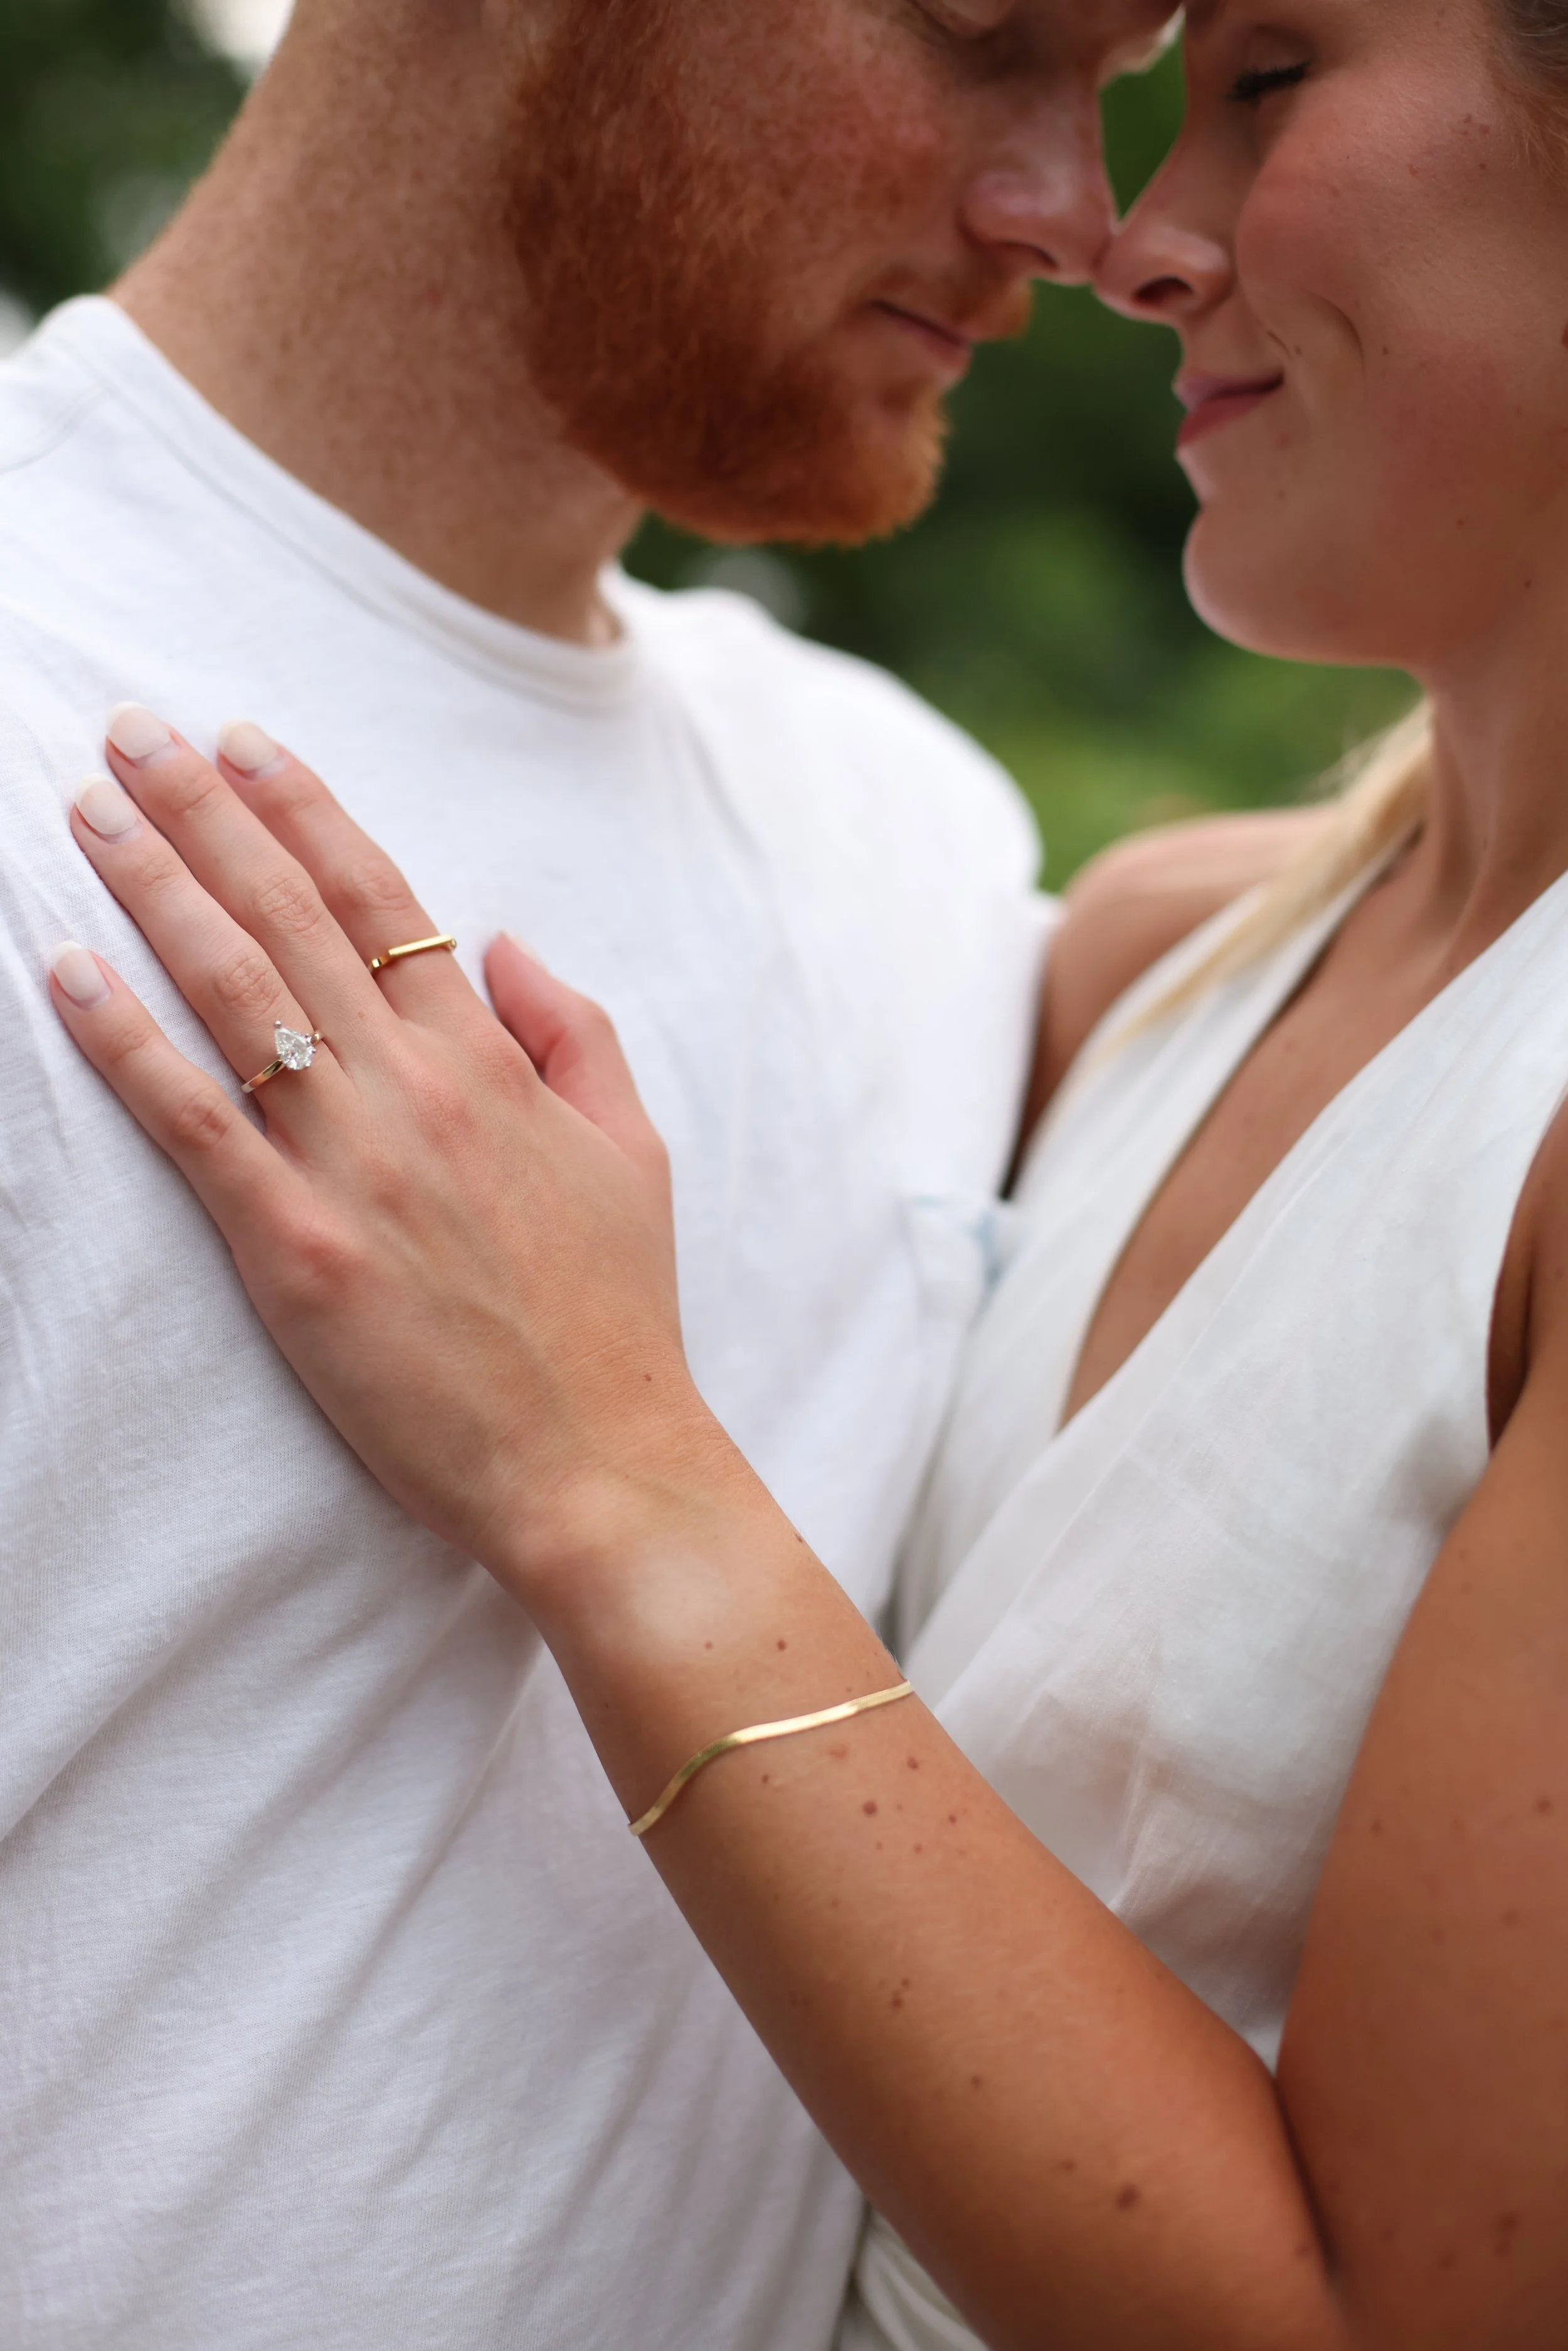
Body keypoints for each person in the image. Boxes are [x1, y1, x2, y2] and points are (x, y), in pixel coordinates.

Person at [44, 0, 1568, 2345]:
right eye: (981, 38)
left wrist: (607, 1460)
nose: (1092, 220)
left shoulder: (898, 845)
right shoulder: (1121, 946)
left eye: (1212, 76)